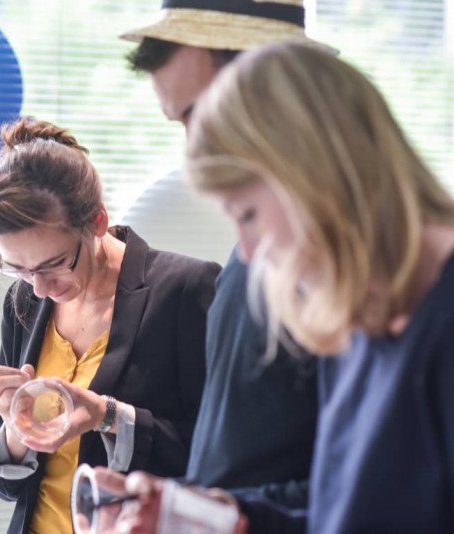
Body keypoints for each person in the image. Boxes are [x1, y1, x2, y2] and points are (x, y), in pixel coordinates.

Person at [115, 41, 454, 533]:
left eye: (248, 214)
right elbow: (342, 512)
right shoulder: (356, 319)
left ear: (316, 174)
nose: (249, 253)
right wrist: (215, 516)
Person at [119, 0, 322, 507]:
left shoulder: (363, 267)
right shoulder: (248, 254)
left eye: (198, 114)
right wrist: (177, 505)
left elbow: (378, 491)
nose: (192, 154)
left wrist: (228, 515)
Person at [0, 116, 221, 533]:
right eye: (17, 268)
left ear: (97, 221)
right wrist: (17, 428)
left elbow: (220, 456)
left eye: (55, 264)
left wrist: (106, 415)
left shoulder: (186, 290)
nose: (39, 288)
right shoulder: (23, 301)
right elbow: (9, 486)